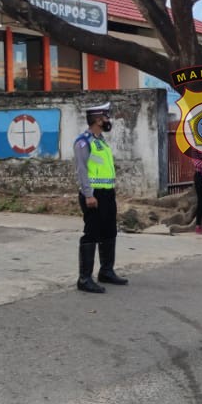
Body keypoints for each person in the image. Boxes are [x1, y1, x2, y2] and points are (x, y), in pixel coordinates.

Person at [74, 102, 127, 293]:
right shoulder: (83, 142)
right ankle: (84, 278)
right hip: (93, 195)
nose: (107, 120)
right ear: (97, 120)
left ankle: (106, 271)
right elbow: (82, 170)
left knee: (109, 231)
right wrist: (88, 194)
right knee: (92, 233)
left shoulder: (101, 141)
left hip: (107, 193)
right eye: (105, 117)